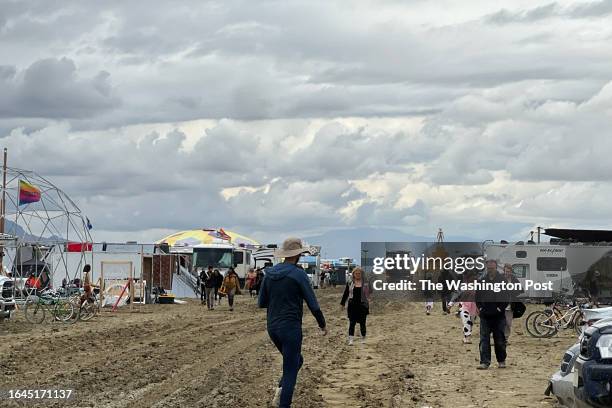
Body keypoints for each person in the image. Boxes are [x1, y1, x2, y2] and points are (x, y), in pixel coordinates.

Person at [258, 237, 327, 408]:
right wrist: (322, 324)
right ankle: (284, 403)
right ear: (298, 255)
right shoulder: (298, 274)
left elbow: (261, 303)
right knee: (290, 370)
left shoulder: (269, 273)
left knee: (297, 360)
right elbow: (313, 303)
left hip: (272, 327)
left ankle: (280, 391)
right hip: (290, 328)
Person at [475, 259, 509, 369]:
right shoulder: (482, 281)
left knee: (499, 339)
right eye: (488, 268)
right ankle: (485, 362)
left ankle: (501, 360)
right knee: (484, 340)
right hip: (485, 316)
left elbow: (507, 297)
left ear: (496, 268)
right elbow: (477, 297)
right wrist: (480, 307)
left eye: (492, 268)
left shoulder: (502, 281)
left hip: (498, 316)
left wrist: (500, 308)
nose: (490, 270)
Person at [340, 267, 370, 345]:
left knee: (363, 323)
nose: (357, 275)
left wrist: (368, 288)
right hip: (352, 305)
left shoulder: (365, 282)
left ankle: (363, 338)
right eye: (356, 273)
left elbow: (371, 291)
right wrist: (342, 303)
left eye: (359, 273)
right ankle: (351, 339)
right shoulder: (350, 282)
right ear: (353, 274)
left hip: (363, 305)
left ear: (362, 274)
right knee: (352, 322)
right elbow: (346, 293)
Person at [448, 270, 478, 344]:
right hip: (464, 306)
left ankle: (465, 337)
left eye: (474, 278)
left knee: (470, 323)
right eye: (471, 278)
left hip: (474, 307)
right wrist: (450, 304)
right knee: (466, 321)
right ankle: (467, 338)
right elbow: (456, 294)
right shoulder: (463, 286)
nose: (473, 279)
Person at [502, 263, 522, 342]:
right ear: (504, 271)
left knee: (508, 324)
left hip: (510, 305)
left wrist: (513, 292)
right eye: (506, 271)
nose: (507, 273)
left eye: (509, 271)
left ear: (511, 272)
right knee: (499, 323)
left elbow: (520, 289)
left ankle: (505, 339)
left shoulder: (514, 279)